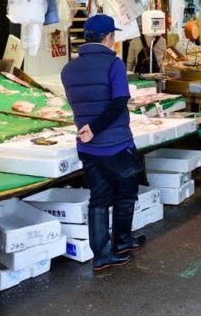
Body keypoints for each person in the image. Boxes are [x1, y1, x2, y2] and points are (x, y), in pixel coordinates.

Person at [60, 14, 145, 272]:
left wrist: (90, 129)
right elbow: (119, 103)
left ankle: (102, 255)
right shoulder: (114, 64)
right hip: (116, 143)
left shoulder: (68, 70)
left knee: (99, 198)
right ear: (109, 37)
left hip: (86, 147)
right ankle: (122, 240)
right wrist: (96, 128)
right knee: (126, 193)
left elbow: (80, 106)